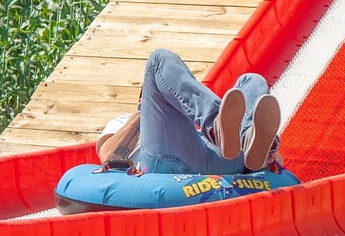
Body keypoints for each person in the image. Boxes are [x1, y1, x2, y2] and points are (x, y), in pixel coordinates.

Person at [95, 48, 283, 176]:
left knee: (251, 80)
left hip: (221, 157)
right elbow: (109, 157)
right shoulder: (121, 123)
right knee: (158, 60)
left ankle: (249, 141)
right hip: (169, 161)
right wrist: (143, 109)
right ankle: (214, 126)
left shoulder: (189, 124)